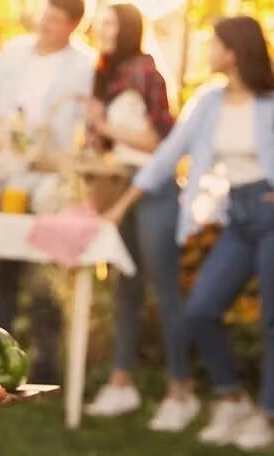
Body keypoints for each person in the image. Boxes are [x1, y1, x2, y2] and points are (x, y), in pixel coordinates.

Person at [105, 15, 274, 451]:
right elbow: (167, 156)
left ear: (234, 52)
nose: (207, 50)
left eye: (213, 44)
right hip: (239, 216)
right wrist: (122, 205)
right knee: (201, 310)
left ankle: (269, 416)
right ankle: (232, 399)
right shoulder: (207, 103)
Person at [81, 4, 198, 430]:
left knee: (164, 292)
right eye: (101, 23)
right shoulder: (107, 75)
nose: (102, 29)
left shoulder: (147, 73)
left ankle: (181, 391)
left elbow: (157, 142)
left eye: (111, 23)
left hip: (155, 192)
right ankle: (121, 383)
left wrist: (105, 127)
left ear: (129, 28)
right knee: (125, 291)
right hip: (119, 189)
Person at [0, 0, 95, 383]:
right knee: (1, 269)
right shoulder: (13, 52)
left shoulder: (83, 66)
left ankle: (45, 366)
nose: (45, 24)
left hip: (50, 181)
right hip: (8, 175)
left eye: (55, 20)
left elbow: (86, 126)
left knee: (45, 273)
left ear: (72, 26)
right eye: (45, 14)